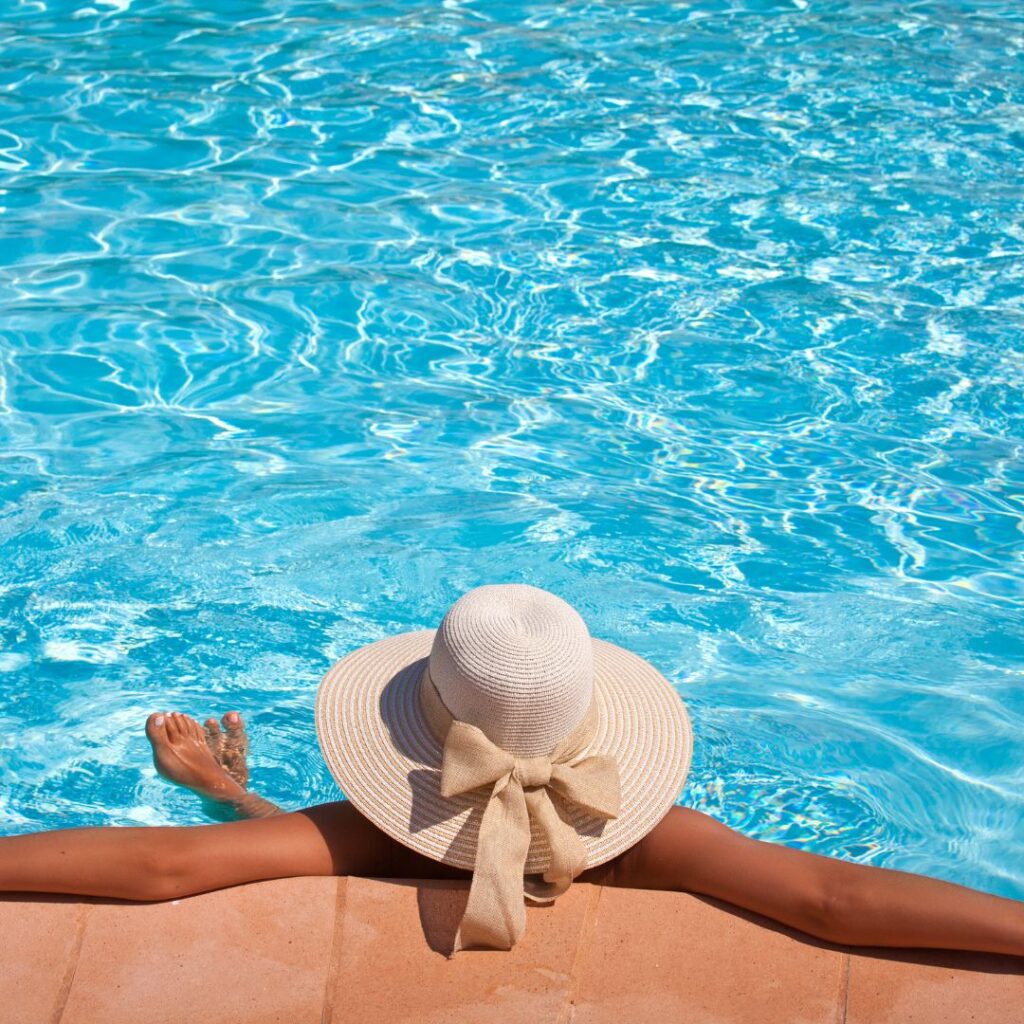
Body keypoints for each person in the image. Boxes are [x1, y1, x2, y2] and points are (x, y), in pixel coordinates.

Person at [0, 584, 1020, 955]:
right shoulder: (652, 839)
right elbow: (835, 899)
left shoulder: (376, 826)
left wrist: (225, 806)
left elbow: (166, 871)